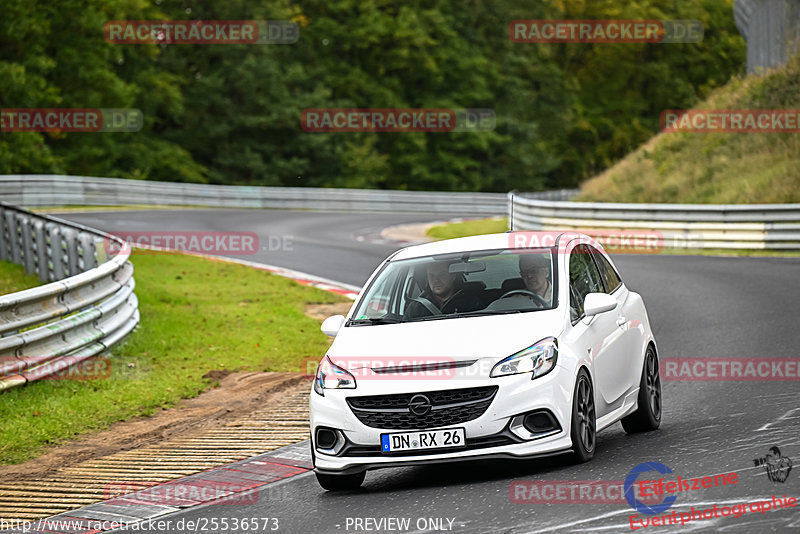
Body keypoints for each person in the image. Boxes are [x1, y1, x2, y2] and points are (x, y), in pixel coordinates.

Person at [404, 260, 482, 319]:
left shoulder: (471, 303)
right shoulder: (416, 308)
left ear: (453, 276)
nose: (436, 280)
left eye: (442, 275)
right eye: (431, 276)